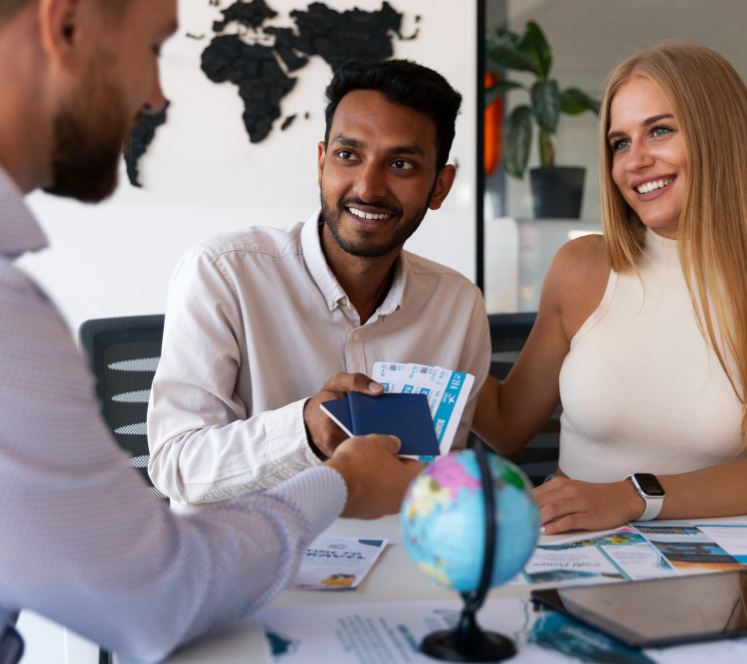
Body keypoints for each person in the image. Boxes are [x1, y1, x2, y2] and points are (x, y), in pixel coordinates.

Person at [0, 0, 421, 661]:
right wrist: (341, 481)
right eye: (154, 49)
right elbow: (157, 595)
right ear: (65, 27)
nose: (156, 98)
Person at [473, 43, 747, 536]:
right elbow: (506, 424)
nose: (635, 161)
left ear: (721, 134)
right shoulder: (581, 267)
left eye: (660, 130)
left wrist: (629, 497)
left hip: (711, 568)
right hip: (577, 556)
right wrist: (423, 325)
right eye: (619, 143)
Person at [146, 59, 491, 510]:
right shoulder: (223, 272)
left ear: (440, 186)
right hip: (249, 560)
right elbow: (175, 465)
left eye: (401, 164)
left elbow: (439, 479)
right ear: (321, 162)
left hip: (394, 556)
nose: (368, 187)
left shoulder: (457, 305)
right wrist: (304, 430)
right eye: (348, 156)